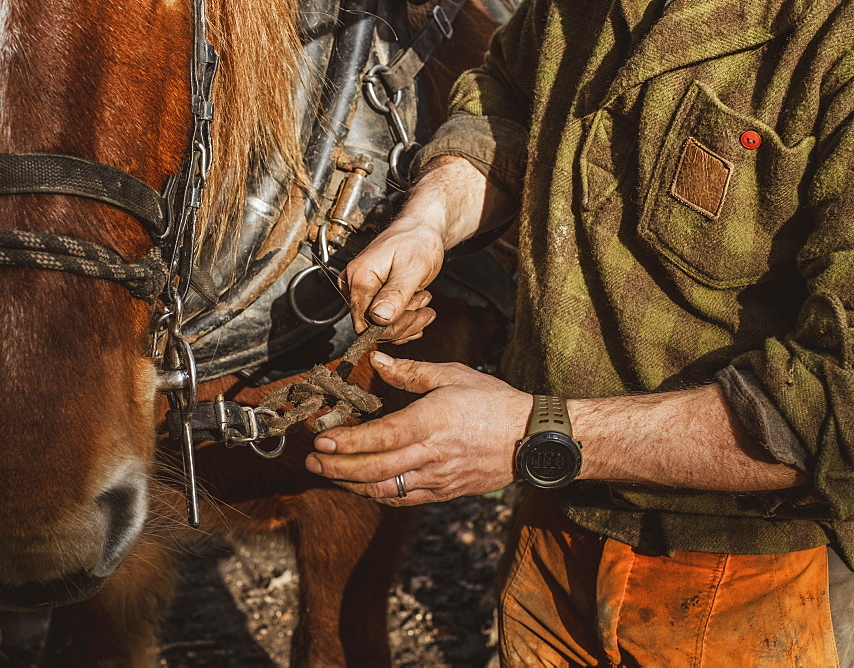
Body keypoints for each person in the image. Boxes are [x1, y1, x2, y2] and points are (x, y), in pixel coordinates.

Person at [304, 0, 854, 664]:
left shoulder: (833, 45)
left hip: (747, 575)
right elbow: (503, 101)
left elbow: (838, 404)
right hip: (553, 530)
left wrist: (533, 433)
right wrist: (431, 217)